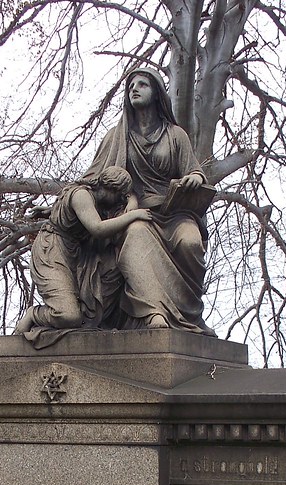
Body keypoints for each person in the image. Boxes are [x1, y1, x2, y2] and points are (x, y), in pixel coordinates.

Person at [82, 67, 215, 334]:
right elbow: (90, 181)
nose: (134, 89)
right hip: (138, 214)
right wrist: (60, 206)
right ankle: (153, 312)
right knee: (135, 235)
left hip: (175, 213)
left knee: (190, 242)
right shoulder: (117, 137)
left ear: (156, 94)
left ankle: (190, 317)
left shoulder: (175, 135)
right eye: (131, 85)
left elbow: (194, 170)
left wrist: (195, 179)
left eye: (142, 84)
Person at [15, 166, 152, 348]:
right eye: (120, 195)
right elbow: (98, 229)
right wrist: (135, 214)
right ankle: (34, 314)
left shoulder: (96, 201)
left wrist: (131, 201)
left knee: (86, 311)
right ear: (110, 188)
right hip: (52, 251)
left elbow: (84, 214)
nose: (120, 201)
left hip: (75, 253)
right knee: (68, 315)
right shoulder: (81, 195)